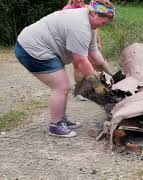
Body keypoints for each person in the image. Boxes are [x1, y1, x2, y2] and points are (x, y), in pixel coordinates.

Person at [15, 0, 115, 138]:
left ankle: (61, 119)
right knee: (61, 86)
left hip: (41, 47)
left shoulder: (90, 25)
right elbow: (81, 60)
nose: (103, 25)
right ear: (94, 13)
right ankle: (55, 126)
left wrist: (111, 74)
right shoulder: (80, 25)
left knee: (63, 86)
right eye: (103, 22)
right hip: (31, 49)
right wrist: (97, 84)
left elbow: (94, 53)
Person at [63, 0, 108, 101]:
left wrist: (98, 41)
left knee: (92, 65)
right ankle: (79, 91)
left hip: (89, 41)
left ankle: (92, 88)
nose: (79, 0)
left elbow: (96, 27)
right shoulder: (67, 10)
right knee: (78, 67)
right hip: (75, 43)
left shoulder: (89, 8)